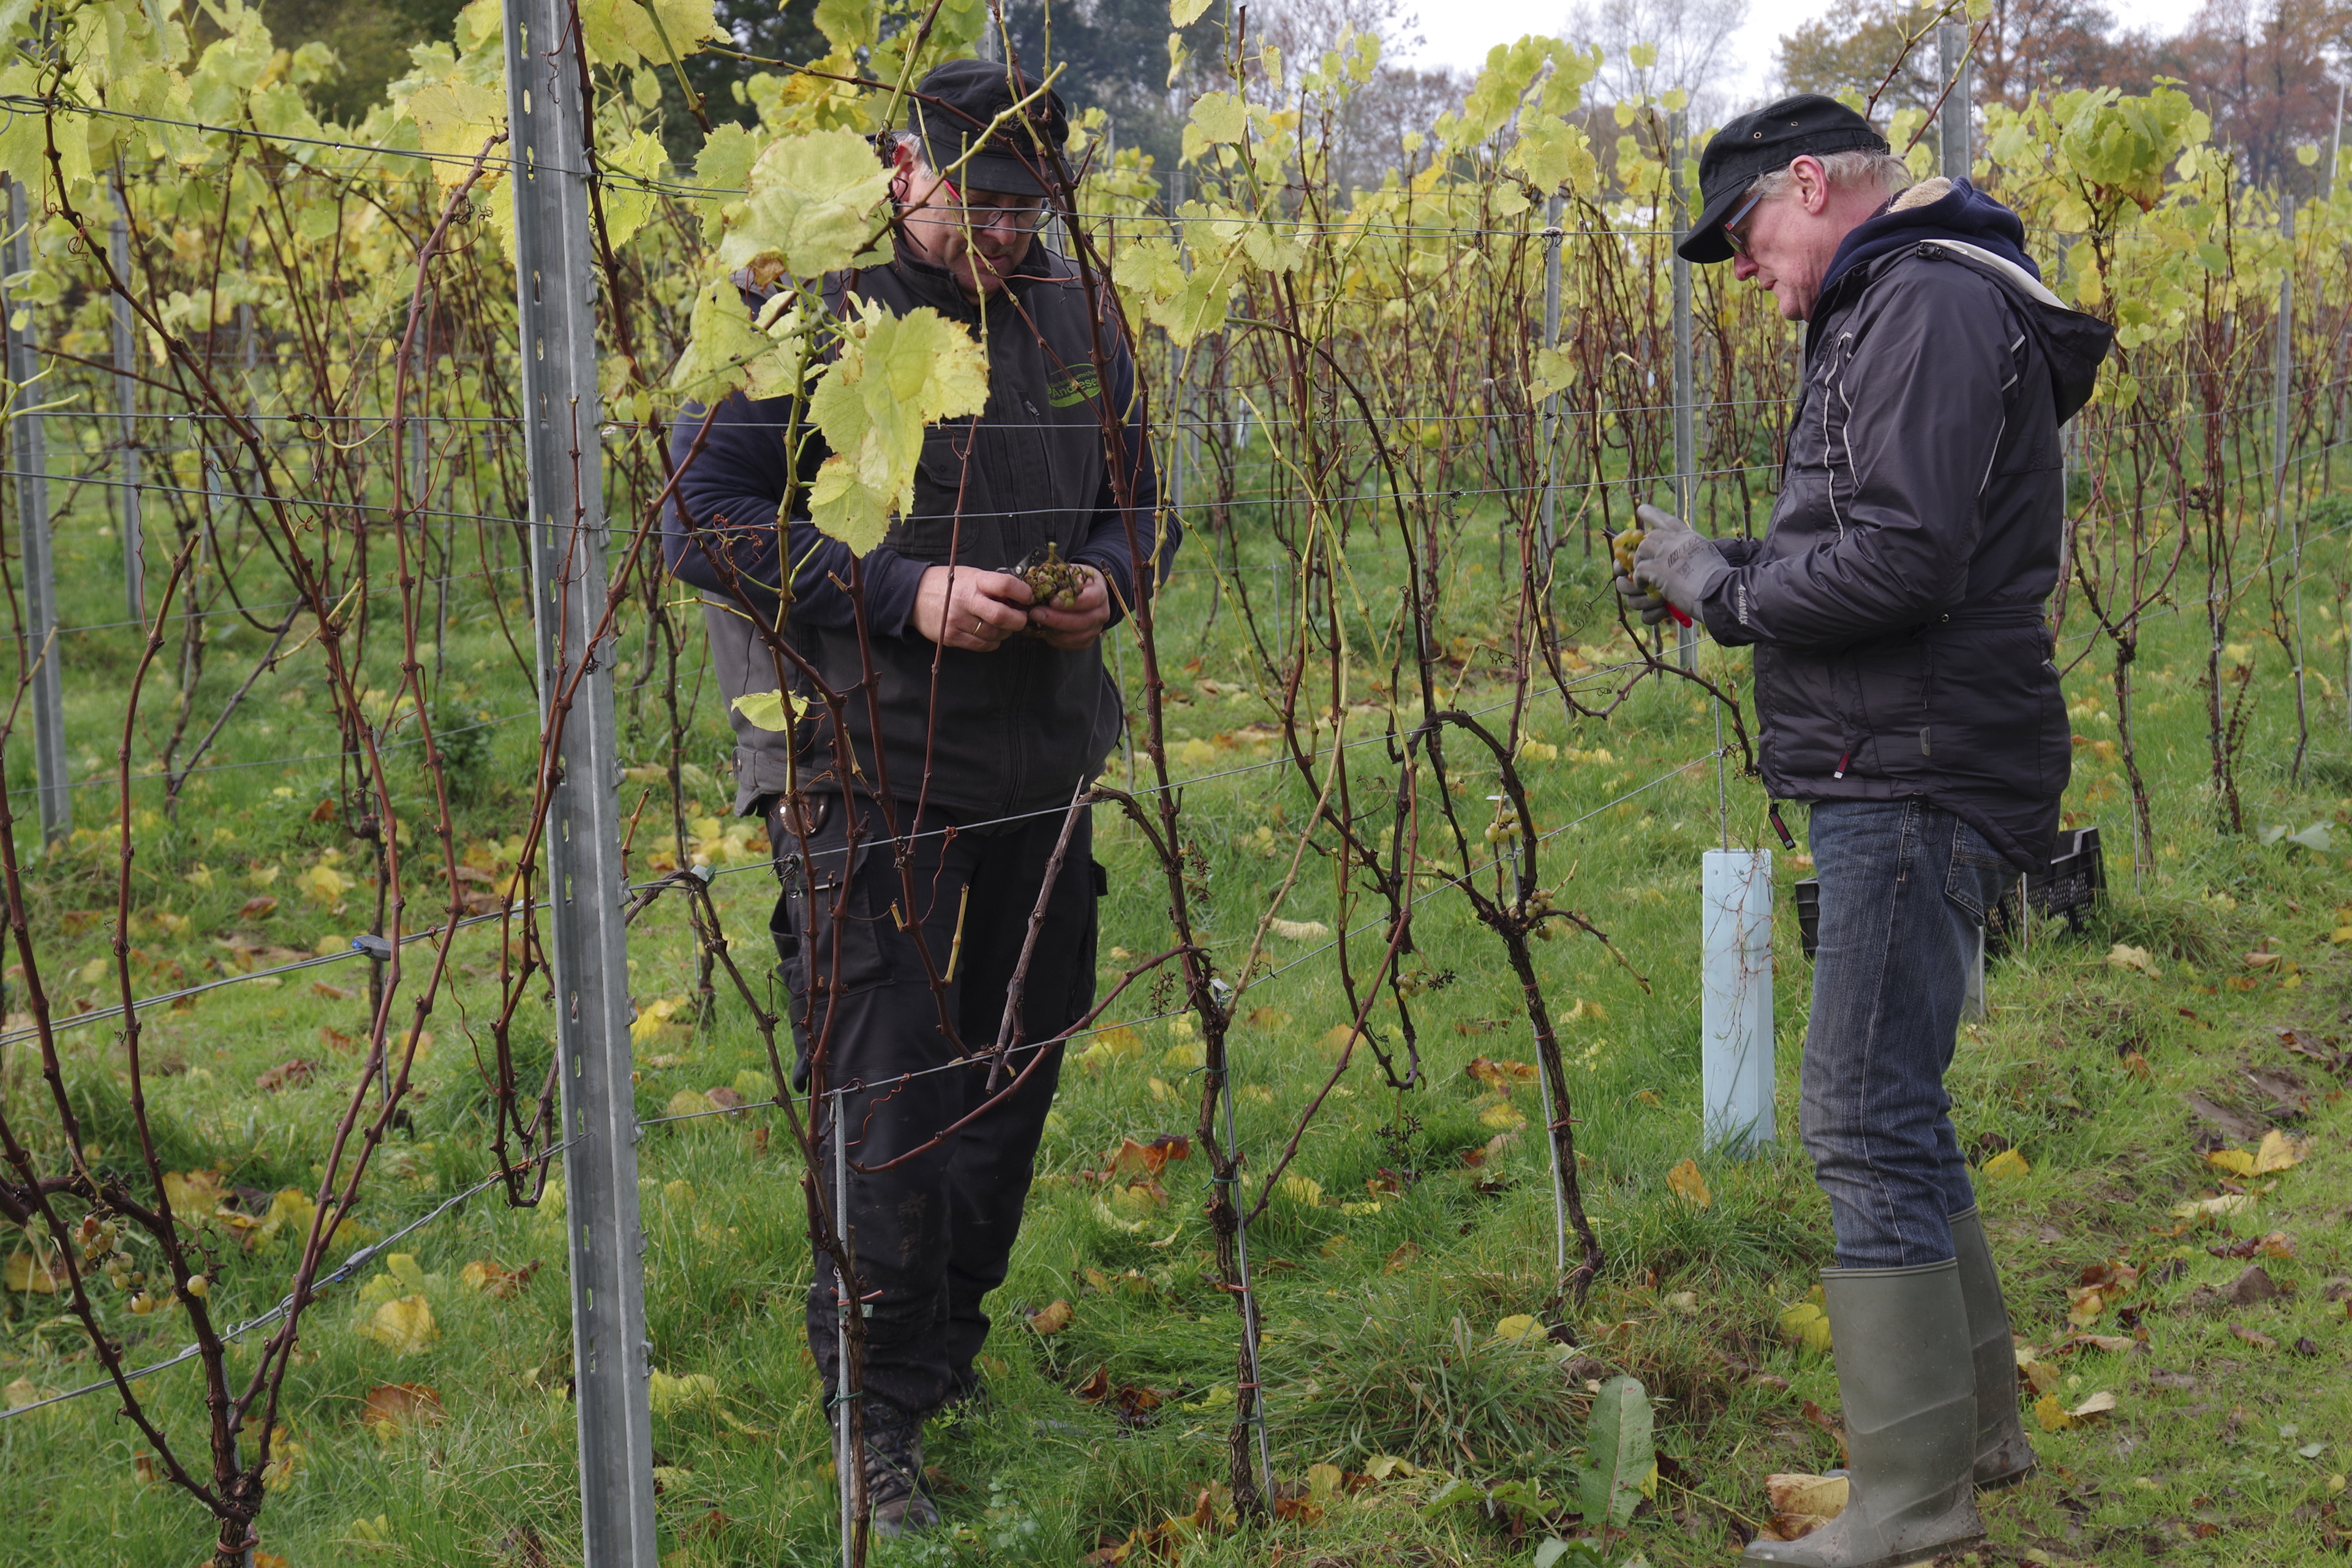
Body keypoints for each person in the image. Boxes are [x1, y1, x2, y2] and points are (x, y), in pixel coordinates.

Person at [663, 59, 1171, 1536]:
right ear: (905, 169)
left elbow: (1142, 499)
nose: (1004, 235)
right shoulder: (806, 307)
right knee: (885, 1084)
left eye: (1028, 207)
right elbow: (701, 517)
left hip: (1040, 752)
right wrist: (894, 589)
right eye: (977, 202)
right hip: (857, 757)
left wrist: (1108, 583)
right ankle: (872, 1422)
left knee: (1021, 1057)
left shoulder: (1080, 321)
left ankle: (944, 1349)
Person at [1617, 96, 2111, 1568]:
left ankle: (1910, 1505)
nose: (1759, 278)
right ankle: (1976, 1437)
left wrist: (1728, 595)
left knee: (1853, 1110)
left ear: (1813, 186)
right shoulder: (1914, 298)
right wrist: (1735, 561)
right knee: (1895, 1101)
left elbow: (1903, 559)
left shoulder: (1930, 305)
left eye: (1754, 241)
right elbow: (1879, 530)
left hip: (1914, 759)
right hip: (1899, 744)